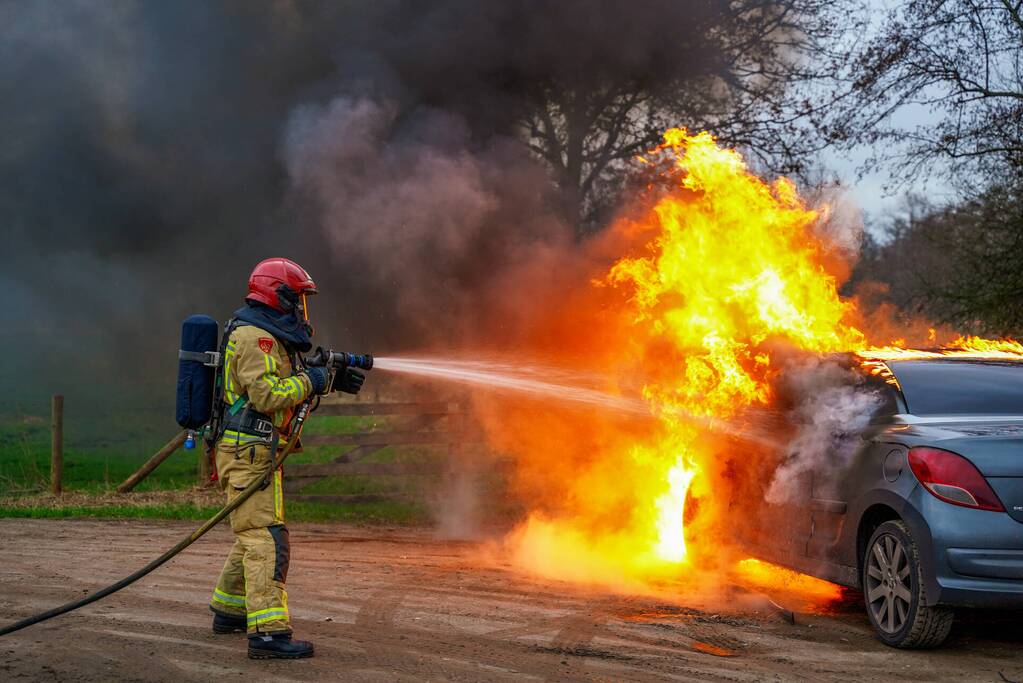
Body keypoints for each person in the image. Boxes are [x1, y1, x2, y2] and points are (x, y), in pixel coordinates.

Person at [207, 257, 365, 659]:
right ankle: (268, 634)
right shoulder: (255, 337)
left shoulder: (265, 335)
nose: (301, 308)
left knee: (252, 532)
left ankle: (229, 610)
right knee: (265, 539)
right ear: (277, 296)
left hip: (252, 451)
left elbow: (278, 381)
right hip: (248, 454)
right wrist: (312, 381)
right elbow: (267, 395)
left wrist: (324, 378)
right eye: (297, 299)